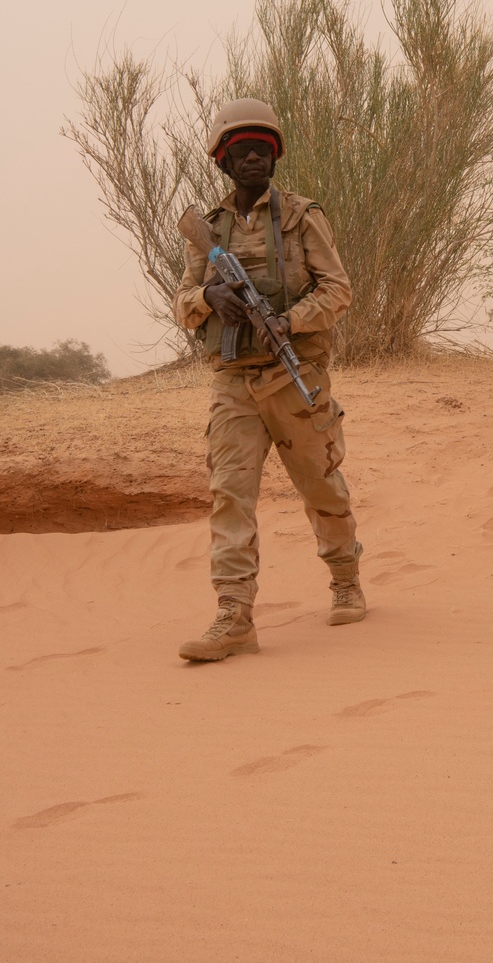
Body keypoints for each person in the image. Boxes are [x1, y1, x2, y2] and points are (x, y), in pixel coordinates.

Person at [173, 98, 364, 662]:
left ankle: (345, 578)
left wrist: (287, 320)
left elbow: (338, 290)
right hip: (233, 383)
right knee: (229, 496)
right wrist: (209, 297)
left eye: (263, 149)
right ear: (223, 161)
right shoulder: (207, 229)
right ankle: (234, 615)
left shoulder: (303, 217)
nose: (253, 158)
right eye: (241, 151)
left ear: (275, 157)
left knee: (320, 484)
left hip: (294, 374)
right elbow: (182, 302)